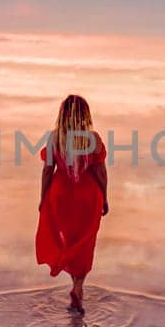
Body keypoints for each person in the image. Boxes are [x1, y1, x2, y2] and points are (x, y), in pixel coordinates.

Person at [35, 94, 108, 311]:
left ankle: (74, 281)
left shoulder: (54, 138)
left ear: (62, 114)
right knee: (85, 242)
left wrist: (43, 197)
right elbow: (100, 172)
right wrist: (105, 197)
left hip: (61, 196)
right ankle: (78, 286)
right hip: (87, 196)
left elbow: (48, 171)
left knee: (68, 240)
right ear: (85, 114)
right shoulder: (92, 138)